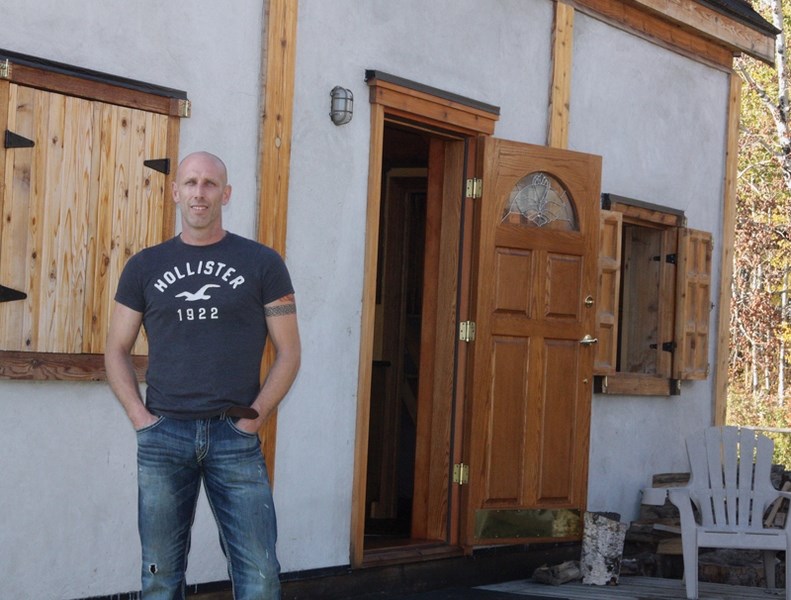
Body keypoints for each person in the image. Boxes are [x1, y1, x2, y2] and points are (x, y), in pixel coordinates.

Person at [105, 151, 301, 600]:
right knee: (159, 575)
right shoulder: (144, 267)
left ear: (225, 194)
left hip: (235, 435)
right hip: (163, 435)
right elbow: (115, 350)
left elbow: (289, 352)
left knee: (260, 574)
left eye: (210, 184)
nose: (199, 192)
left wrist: (255, 416)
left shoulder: (262, 263)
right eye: (190, 182)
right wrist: (140, 417)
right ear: (175, 192)